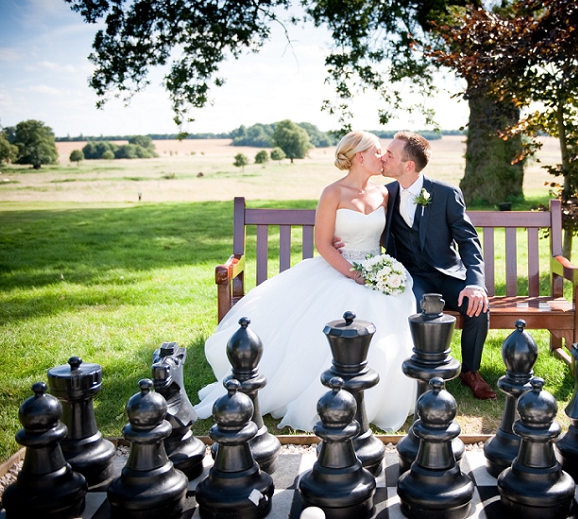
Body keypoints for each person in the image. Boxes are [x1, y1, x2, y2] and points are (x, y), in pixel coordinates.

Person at [194, 131, 416, 432]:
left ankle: (381, 395)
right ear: (360, 156)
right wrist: (352, 272)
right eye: (377, 151)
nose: (383, 156)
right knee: (349, 303)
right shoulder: (333, 193)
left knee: (391, 304)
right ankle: (322, 390)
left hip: (376, 271)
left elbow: (389, 237)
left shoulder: (384, 194)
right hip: (339, 268)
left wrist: (381, 271)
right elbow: (324, 244)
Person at [381, 131, 496, 400]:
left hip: (448, 273)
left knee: (478, 307)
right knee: (420, 309)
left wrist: (475, 284)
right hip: (412, 277)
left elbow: (469, 242)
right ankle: (426, 374)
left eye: (389, 154)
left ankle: (471, 372)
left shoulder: (445, 194)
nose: (383, 158)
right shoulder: (386, 194)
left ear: (408, 165)